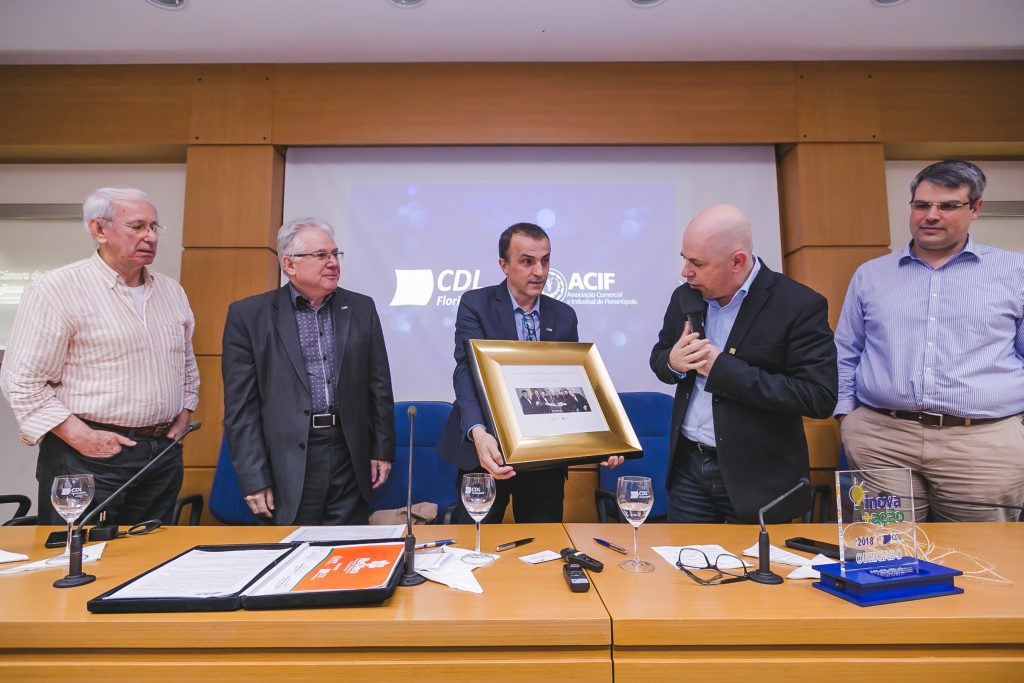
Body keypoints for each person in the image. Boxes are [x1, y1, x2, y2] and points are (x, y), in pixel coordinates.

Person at [834, 160, 1024, 522]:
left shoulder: (1015, 273)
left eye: (948, 206)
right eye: (922, 205)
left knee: (981, 562)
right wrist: (848, 419)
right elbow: (846, 353)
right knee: (885, 552)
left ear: (975, 208)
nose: (931, 216)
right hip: (882, 443)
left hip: (982, 447)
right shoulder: (871, 275)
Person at [1, 187, 198, 525]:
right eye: (137, 226)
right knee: (80, 560)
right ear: (98, 230)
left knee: (150, 559)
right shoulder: (56, 289)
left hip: (160, 454)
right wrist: (82, 437)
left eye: (154, 227)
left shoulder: (170, 291)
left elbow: (186, 364)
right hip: (85, 455)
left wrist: (183, 414)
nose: (150, 236)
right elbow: (21, 379)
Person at [650, 204, 837, 524]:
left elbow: (818, 397)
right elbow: (661, 358)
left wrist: (721, 369)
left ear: (736, 261)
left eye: (696, 263)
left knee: (753, 569)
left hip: (757, 475)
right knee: (683, 567)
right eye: (684, 258)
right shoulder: (686, 297)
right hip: (688, 469)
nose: (685, 271)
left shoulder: (798, 305)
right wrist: (673, 362)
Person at [439, 222, 622, 523]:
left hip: (544, 459)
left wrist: (602, 442)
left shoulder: (563, 316)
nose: (539, 271)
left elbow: (572, 388)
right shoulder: (476, 305)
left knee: (543, 549)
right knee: (472, 544)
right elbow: (466, 373)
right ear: (504, 265)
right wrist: (478, 432)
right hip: (487, 450)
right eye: (527, 261)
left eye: (545, 260)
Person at [222, 217, 395, 525]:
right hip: (286, 458)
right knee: (296, 553)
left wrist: (382, 449)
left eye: (335, 254)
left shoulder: (360, 307)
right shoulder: (249, 316)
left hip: (348, 452)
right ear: (289, 264)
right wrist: (253, 476)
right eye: (320, 256)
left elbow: (378, 385)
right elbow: (241, 408)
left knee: (346, 553)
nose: (332, 263)